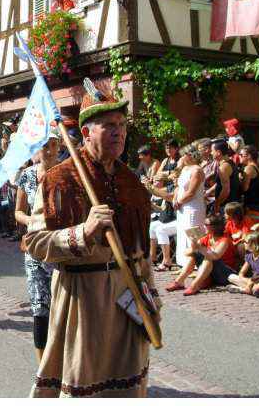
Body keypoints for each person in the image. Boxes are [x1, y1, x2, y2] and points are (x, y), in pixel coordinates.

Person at [22, 79, 160, 398]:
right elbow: (37, 243)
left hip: (129, 295)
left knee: (127, 384)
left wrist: (151, 296)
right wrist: (82, 232)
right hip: (82, 298)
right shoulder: (60, 179)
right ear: (86, 133)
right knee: (85, 382)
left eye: (123, 125)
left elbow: (141, 251)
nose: (119, 132)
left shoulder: (133, 184)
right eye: (109, 125)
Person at [15, 128, 61, 363]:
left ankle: (61, 362)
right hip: (34, 250)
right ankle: (42, 368)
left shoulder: (68, 174)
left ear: (59, 147)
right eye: (44, 144)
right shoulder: (27, 175)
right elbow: (18, 212)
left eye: (53, 144)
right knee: (39, 307)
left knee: (61, 308)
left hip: (61, 251)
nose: (49, 149)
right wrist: (33, 220)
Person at [166, 214, 237, 296]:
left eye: (206, 224)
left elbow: (215, 256)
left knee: (208, 258)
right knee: (193, 256)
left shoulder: (224, 240)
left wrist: (199, 247)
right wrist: (194, 244)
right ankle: (179, 282)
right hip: (210, 272)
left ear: (215, 227)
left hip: (224, 272)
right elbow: (186, 253)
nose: (203, 226)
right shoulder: (207, 237)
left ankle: (194, 286)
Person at [171, 145, 206, 268]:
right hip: (182, 207)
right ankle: (185, 264)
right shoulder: (185, 169)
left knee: (193, 235)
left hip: (193, 207)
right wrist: (175, 199)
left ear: (190, 155)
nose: (181, 158)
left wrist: (179, 202)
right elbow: (179, 187)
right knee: (182, 234)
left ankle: (197, 264)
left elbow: (191, 192)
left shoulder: (197, 170)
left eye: (183, 155)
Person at [144, 175, 177, 270]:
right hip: (166, 218)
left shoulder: (173, 189)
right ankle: (153, 256)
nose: (174, 180)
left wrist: (149, 186)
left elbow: (163, 205)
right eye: (173, 179)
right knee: (152, 226)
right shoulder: (172, 188)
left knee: (160, 229)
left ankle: (166, 260)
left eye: (176, 178)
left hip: (174, 218)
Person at [207, 139, 241, 214]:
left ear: (218, 152)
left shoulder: (224, 167)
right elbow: (220, 183)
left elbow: (226, 190)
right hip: (230, 205)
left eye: (212, 151)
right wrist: (208, 192)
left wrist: (217, 203)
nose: (211, 153)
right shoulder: (228, 163)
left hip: (227, 207)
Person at [239, 145, 259, 212]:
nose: (239, 156)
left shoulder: (249, 168)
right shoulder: (256, 166)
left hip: (253, 206)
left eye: (241, 154)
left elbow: (244, 188)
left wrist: (239, 179)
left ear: (249, 156)